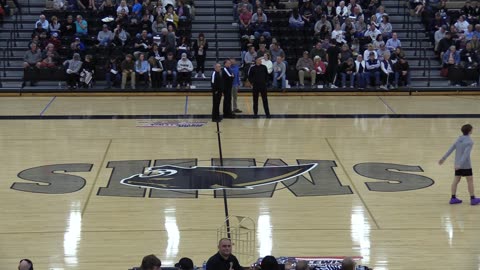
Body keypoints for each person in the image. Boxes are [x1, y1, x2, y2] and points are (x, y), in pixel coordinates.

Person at [439, 124, 480, 205]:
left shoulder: (458, 139)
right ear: (470, 131)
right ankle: (473, 199)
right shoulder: (470, 141)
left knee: (456, 180)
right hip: (465, 165)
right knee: (470, 180)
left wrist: (443, 158)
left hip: (457, 164)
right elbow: (465, 154)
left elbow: (451, 149)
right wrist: (460, 164)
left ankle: (453, 198)